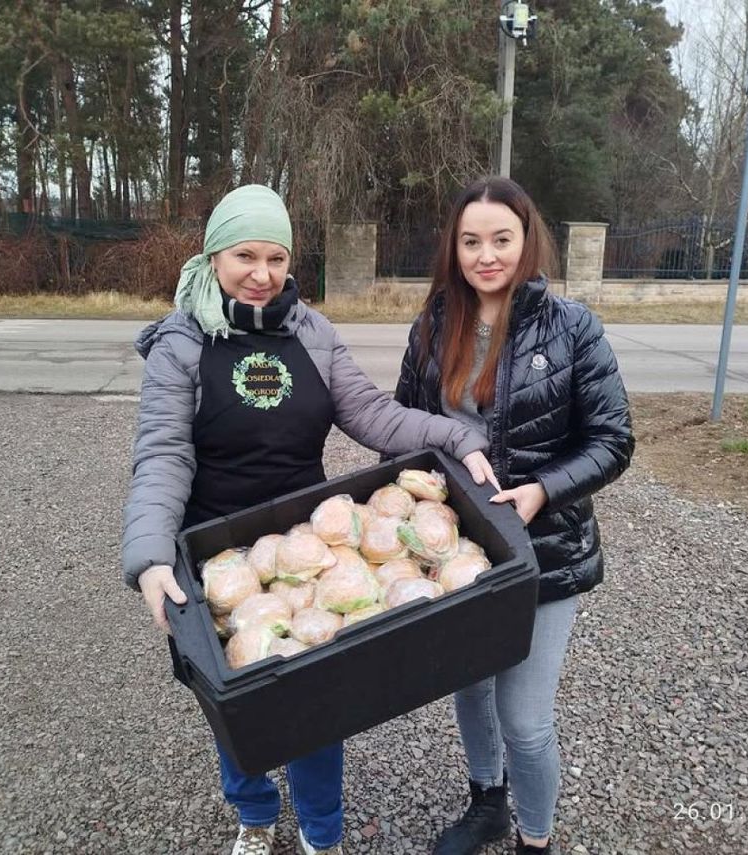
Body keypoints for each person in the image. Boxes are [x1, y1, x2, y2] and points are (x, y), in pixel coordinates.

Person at [121, 184, 498, 855]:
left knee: (319, 705)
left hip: (308, 552)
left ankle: (323, 834)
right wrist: (150, 556)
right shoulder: (181, 344)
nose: (262, 273)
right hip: (218, 559)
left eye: (275, 257)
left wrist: (458, 438)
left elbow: (375, 415)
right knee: (236, 707)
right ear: (213, 257)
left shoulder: (312, 332)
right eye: (245, 255)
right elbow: (162, 455)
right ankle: (256, 814)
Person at [394, 176, 634, 855]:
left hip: (545, 547)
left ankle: (536, 837)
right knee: (469, 689)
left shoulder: (572, 327)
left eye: (501, 239)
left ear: (528, 241)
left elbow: (613, 440)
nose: (486, 255)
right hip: (460, 548)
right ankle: (487, 802)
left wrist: (542, 490)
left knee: (524, 718)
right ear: (455, 247)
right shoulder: (435, 322)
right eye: (471, 241)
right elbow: (404, 422)